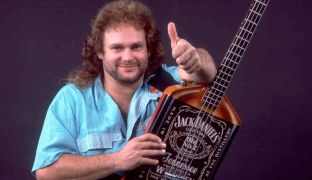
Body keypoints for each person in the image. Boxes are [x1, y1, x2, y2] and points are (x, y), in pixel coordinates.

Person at [32, 0, 216, 179]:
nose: (128, 57)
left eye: (136, 47)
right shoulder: (72, 99)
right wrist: (117, 160)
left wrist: (196, 60)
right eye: (117, 48)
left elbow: (207, 75)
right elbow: (47, 172)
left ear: (148, 50)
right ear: (100, 52)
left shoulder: (170, 85)